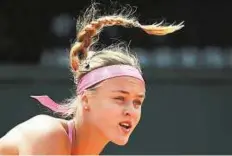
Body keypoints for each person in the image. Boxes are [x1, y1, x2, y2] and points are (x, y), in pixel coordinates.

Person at [0, 3, 184, 155]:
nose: (131, 111)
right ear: (86, 99)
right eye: (119, 98)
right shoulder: (47, 133)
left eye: (137, 102)